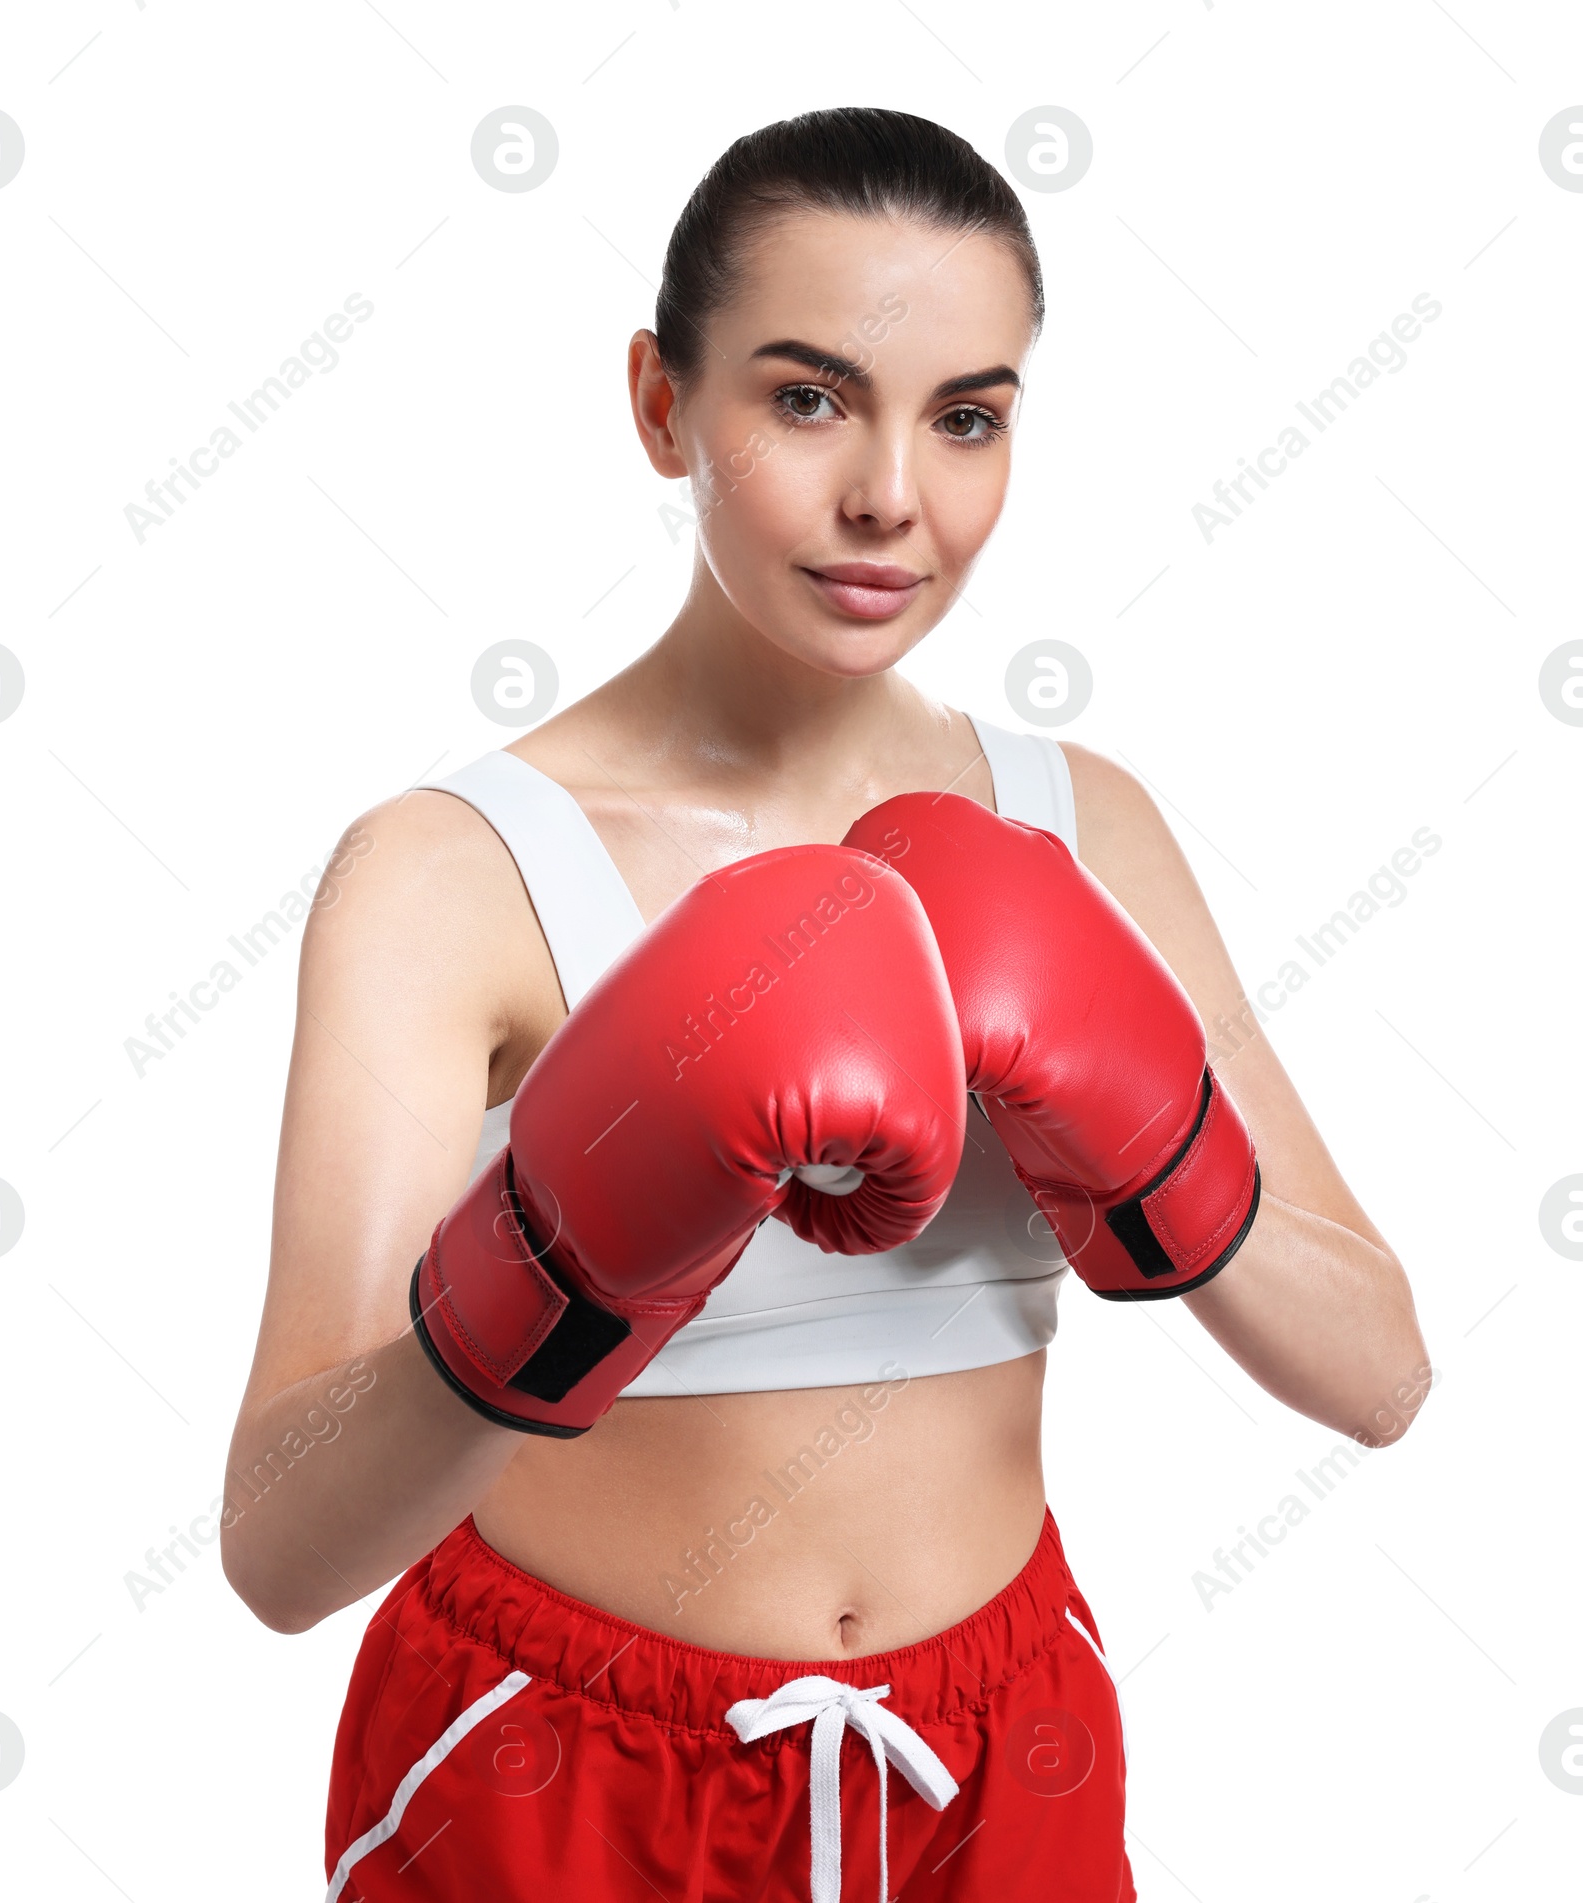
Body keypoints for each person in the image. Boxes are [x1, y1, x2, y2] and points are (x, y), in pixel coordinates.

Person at [222, 107, 1430, 1902]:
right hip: (561, 1766)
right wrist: (561, 1265)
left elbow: (1383, 1371)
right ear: (660, 406)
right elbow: (279, 1544)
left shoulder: (1079, 827)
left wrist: (1160, 1154)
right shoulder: (447, 870)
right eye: (807, 399)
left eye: (967, 416)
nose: (893, 497)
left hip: (994, 1754)